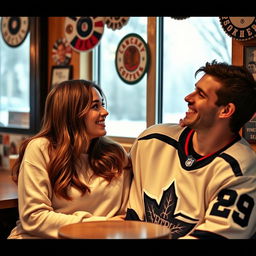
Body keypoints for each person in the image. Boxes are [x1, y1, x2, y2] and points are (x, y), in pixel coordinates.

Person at [125, 60, 256, 239]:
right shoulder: (151, 140)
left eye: (201, 94)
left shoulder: (242, 170)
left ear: (226, 110)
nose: (188, 97)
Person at [8, 79, 132, 239]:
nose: (105, 112)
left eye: (102, 105)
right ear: (72, 114)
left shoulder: (115, 154)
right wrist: (101, 225)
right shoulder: (41, 149)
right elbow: (34, 218)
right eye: (95, 106)